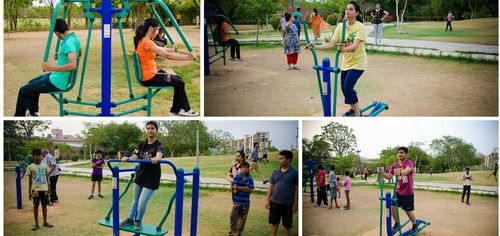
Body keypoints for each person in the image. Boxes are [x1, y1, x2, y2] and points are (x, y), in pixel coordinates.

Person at [306, 1, 367, 117]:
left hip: (358, 62)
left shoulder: (360, 27)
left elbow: (355, 45)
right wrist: (315, 46)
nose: (347, 11)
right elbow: (331, 44)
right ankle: (353, 109)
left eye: (351, 9)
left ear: (357, 13)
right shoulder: (340, 27)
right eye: (346, 9)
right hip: (346, 63)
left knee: (348, 87)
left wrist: (344, 49)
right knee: (344, 89)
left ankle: (358, 113)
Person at [15, 19, 81, 116]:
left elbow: (73, 65)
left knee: (23, 90)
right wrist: (62, 54)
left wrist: (50, 67)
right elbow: (79, 53)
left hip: (57, 82)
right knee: (31, 84)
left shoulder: (68, 43)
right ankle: (34, 113)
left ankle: (19, 116)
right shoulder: (74, 39)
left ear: (57, 33)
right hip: (56, 77)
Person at [134, 18, 198, 117]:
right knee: (180, 83)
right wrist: (188, 57)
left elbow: (161, 50)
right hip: (150, 78)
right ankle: (184, 109)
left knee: (178, 80)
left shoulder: (143, 40)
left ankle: (175, 110)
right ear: (151, 28)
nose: (157, 32)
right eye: (157, 30)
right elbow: (167, 56)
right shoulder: (147, 42)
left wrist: (171, 50)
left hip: (150, 75)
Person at [120, 121, 165, 230]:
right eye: (148, 128)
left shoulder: (159, 145)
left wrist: (156, 159)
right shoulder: (141, 144)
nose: (150, 130)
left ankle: (138, 220)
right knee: (135, 200)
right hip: (141, 174)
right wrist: (128, 159)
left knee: (142, 201)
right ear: (146, 130)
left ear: (156, 131)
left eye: (152, 128)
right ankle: (130, 219)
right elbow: (135, 156)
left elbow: (159, 155)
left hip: (152, 177)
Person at [378, 146, 419, 234]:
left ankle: (415, 224)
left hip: (407, 192)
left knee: (407, 210)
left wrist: (399, 172)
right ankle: (397, 223)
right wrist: (382, 173)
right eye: (398, 153)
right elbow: (389, 176)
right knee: (392, 207)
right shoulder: (394, 165)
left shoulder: (409, 162)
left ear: (406, 154)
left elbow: (407, 170)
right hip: (398, 191)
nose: (399, 154)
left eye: (402, 152)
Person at [266, 150, 298, 236]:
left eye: (281, 158)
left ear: (289, 159)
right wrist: (267, 200)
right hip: (274, 202)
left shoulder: (295, 173)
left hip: (287, 203)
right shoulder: (275, 171)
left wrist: (296, 203)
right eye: (278, 158)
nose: (279, 160)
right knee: (274, 222)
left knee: (287, 225)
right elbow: (271, 186)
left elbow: (296, 189)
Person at [27, 148, 54, 231]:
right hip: (35, 190)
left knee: (44, 206)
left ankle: (45, 222)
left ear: (41, 156)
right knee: (35, 206)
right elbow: (29, 181)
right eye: (36, 156)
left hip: (45, 189)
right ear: (33, 156)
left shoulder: (45, 166)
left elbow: (46, 177)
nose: (38, 157)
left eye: (39, 155)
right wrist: (29, 192)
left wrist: (49, 187)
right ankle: (36, 224)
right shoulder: (30, 167)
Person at [229, 162, 254, 236]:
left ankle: (240, 231)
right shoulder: (237, 177)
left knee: (243, 218)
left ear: (248, 168)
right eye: (243, 167)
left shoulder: (250, 179)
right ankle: (232, 231)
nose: (245, 169)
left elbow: (251, 190)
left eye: (247, 167)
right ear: (241, 168)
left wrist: (240, 188)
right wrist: (246, 187)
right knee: (233, 216)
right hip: (237, 201)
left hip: (246, 202)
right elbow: (235, 188)